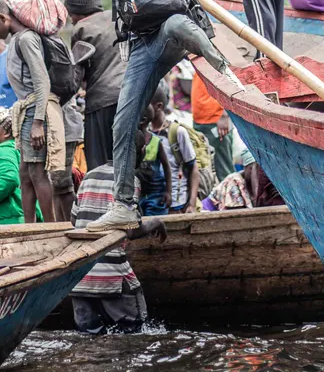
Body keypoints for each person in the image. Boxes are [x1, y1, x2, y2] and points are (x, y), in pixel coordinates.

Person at [87, 0, 237, 232]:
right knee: (122, 122)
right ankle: (124, 205)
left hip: (173, 29)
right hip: (142, 45)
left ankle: (224, 68)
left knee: (176, 25)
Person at [0, 0, 63, 223]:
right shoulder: (17, 40)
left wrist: (37, 123)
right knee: (25, 173)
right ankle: (28, 227)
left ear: (2, 19)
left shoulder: (25, 39)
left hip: (36, 111)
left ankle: (49, 228)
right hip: (26, 112)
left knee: (37, 172)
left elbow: (42, 81)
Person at [68, 162, 166, 335]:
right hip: (111, 277)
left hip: (79, 277)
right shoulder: (128, 180)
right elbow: (131, 230)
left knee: (87, 340)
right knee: (137, 334)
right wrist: (156, 223)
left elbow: (74, 221)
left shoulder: (89, 175)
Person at [66, 0, 125, 170]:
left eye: (71, 15)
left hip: (102, 101)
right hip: (132, 97)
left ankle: (104, 198)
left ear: (78, 13)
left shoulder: (82, 28)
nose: (71, 20)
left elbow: (75, 78)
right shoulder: (120, 19)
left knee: (99, 163)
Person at [142, 85, 199, 214]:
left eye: (145, 104)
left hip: (175, 203)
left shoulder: (177, 132)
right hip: (152, 202)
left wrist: (192, 203)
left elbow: (193, 167)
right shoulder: (145, 133)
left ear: (159, 106)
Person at [190, 75, 235, 181]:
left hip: (217, 120)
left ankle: (230, 195)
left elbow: (232, 80)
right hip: (199, 118)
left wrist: (225, 114)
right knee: (204, 166)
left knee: (223, 170)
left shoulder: (222, 58)